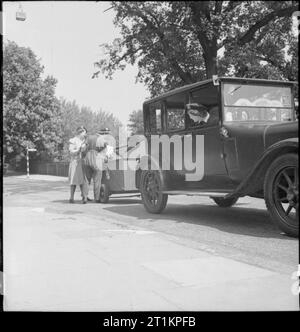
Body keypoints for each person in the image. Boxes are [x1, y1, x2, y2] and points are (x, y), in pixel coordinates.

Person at [82, 131, 107, 202]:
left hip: (87, 158)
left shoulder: (87, 138)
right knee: (97, 180)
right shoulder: (100, 138)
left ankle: (85, 197)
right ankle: (97, 198)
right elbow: (105, 146)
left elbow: (83, 149)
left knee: (86, 179)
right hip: (96, 158)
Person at [68, 126, 87, 203]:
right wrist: (78, 150)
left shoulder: (84, 141)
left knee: (82, 181)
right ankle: (71, 197)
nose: (85, 134)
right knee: (73, 181)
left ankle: (84, 197)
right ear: (80, 132)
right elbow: (71, 151)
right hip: (74, 162)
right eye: (84, 133)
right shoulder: (73, 140)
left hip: (82, 162)